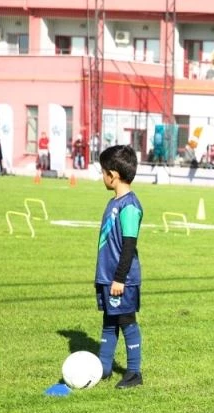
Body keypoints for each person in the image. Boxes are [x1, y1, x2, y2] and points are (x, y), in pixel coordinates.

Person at [95, 145, 144, 389]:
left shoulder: (130, 207)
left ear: (112, 175)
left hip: (120, 279)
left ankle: (134, 373)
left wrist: (119, 279)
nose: (101, 176)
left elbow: (128, 245)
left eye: (102, 172)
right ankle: (103, 368)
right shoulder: (113, 202)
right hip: (107, 276)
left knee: (126, 320)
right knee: (109, 321)